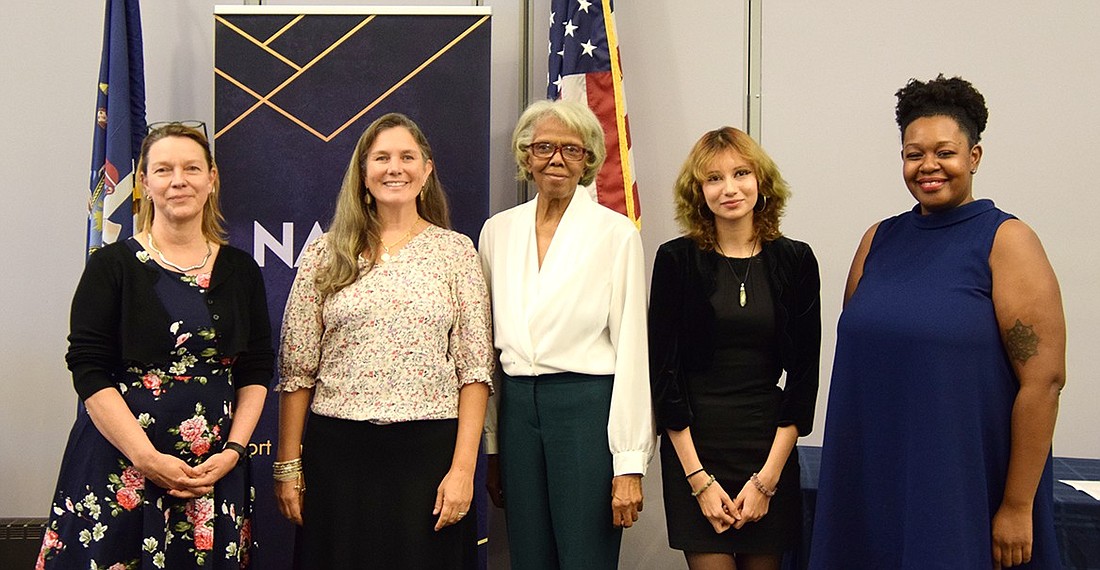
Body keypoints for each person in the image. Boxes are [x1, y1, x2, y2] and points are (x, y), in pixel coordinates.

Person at [811, 75, 1065, 569]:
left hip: (960, 488)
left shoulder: (1007, 241)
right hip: (873, 481)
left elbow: (1044, 382)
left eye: (945, 152)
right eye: (913, 153)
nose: (928, 166)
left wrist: (1016, 506)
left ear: (974, 156)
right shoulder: (878, 239)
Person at [38, 123, 274, 568]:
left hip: (212, 475)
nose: (178, 180)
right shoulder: (111, 266)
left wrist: (233, 453)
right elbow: (88, 369)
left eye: (191, 168)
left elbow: (256, 369)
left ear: (212, 178)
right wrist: (145, 457)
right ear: (144, 183)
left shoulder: (241, 270)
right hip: (120, 467)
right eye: (163, 170)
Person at [275, 112, 493, 569]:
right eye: (382, 158)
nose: (395, 168)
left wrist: (463, 469)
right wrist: (289, 465)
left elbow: (474, 372)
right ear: (363, 172)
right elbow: (297, 369)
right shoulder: (325, 251)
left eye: (407, 157)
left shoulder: (456, 252)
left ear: (427, 170)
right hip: (338, 456)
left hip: (428, 457)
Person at [478, 99, 656, 569]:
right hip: (517, 411)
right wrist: (493, 445)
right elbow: (486, 351)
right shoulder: (497, 232)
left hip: (585, 410)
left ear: (589, 160)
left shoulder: (615, 234)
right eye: (544, 147)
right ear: (526, 156)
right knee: (529, 558)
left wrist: (629, 464)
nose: (556, 159)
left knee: (585, 558)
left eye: (571, 150)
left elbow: (634, 351)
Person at [649, 127, 821, 570]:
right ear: (698, 191)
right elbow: (663, 377)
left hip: (768, 449)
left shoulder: (796, 260)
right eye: (713, 178)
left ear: (760, 181)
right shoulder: (676, 261)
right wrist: (698, 481)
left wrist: (766, 482)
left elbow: (803, 381)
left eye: (741, 173)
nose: (729, 188)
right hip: (695, 448)